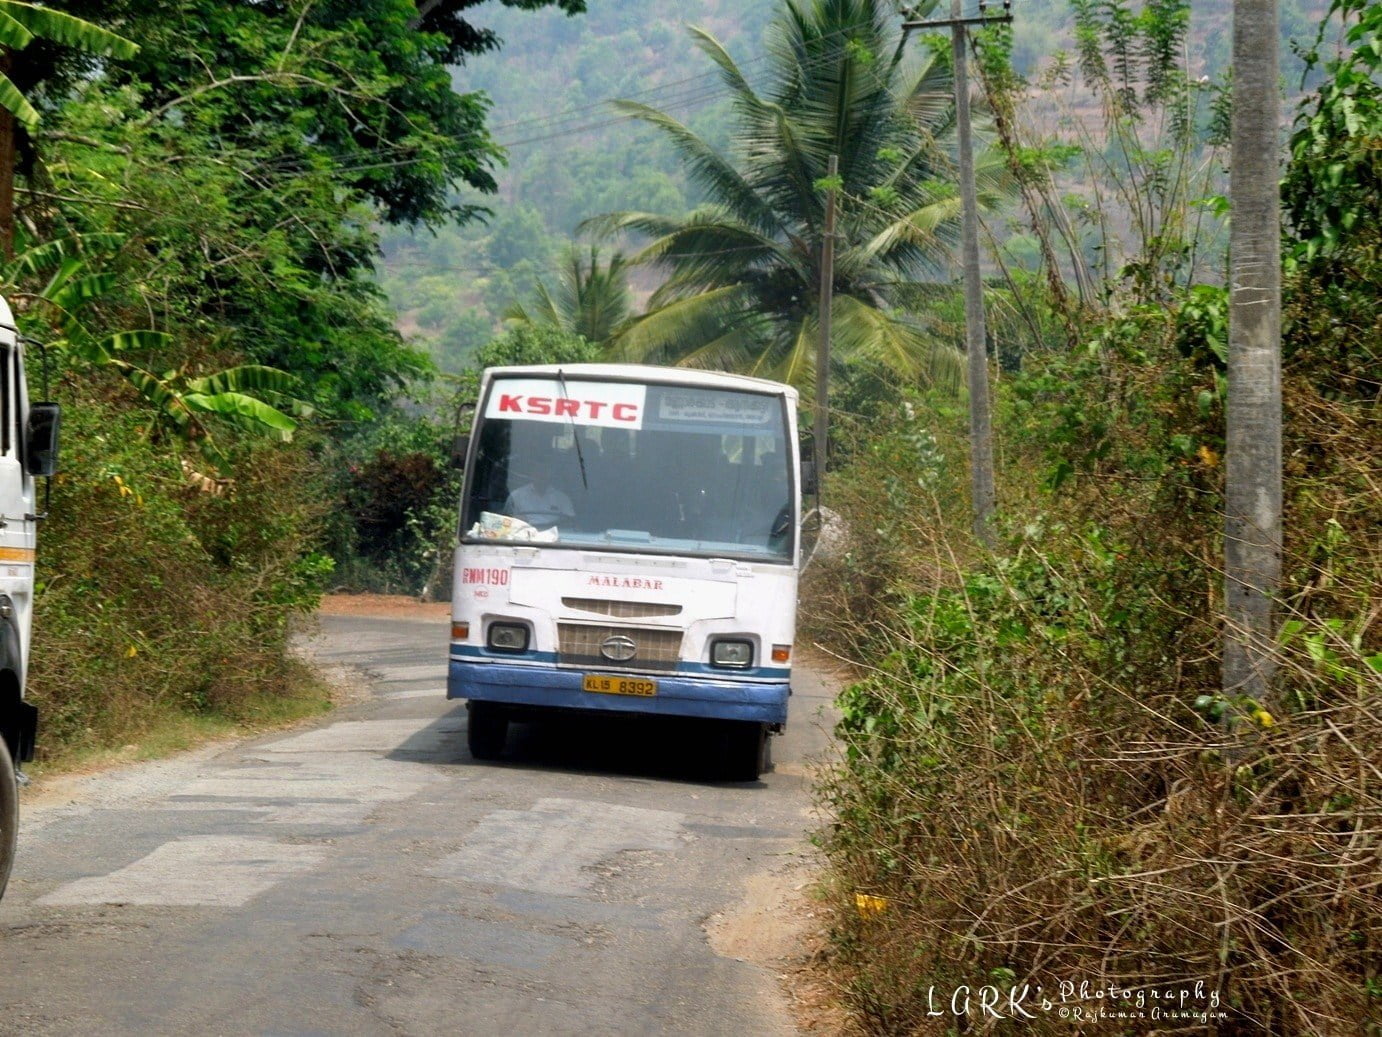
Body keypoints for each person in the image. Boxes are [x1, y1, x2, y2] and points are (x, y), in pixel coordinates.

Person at [503, 454, 574, 528]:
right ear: (531, 473)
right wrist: (515, 519)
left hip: (557, 535)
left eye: (544, 471)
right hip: (523, 536)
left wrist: (559, 523)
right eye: (538, 470)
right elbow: (505, 522)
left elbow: (570, 522)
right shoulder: (516, 496)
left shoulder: (562, 498)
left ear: (550, 474)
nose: (541, 474)